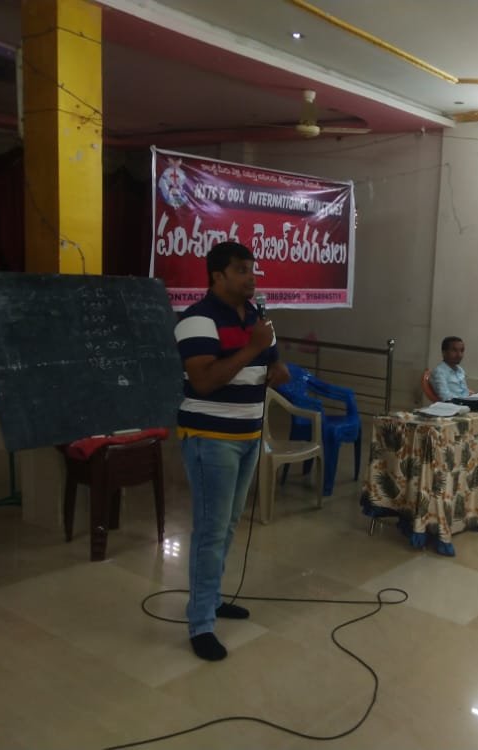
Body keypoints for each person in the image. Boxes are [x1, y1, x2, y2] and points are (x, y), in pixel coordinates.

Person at [175, 241, 290, 661]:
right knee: (210, 530)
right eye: (241, 270)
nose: (251, 278)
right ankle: (201, 622)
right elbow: (204, 381)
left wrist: (277, 368)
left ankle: (213, 598)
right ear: (217, 275)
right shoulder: (197, 319)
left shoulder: (255, 317)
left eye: (252, 270)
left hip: (248, 437)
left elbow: (273, 364)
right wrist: (253, 348)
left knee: (226, 527)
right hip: (211, 439)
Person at [430, 336, 469, 400]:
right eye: (454, 350)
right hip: (453, 405)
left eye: (462, 351)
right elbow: (445, 397)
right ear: (444, 353)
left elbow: (465, 392)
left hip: (465, 403)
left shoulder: (460, 370)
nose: (459, 355)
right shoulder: (439, 372)